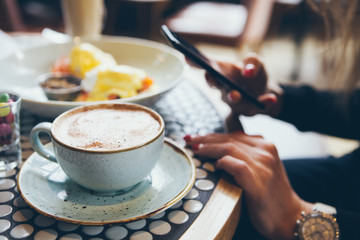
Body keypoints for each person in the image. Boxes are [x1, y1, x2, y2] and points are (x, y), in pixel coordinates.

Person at [183, 0, 360, 239]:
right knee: (224, 186)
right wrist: (274, 98)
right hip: (350, 173)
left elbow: (295, 219)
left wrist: (295, 217)